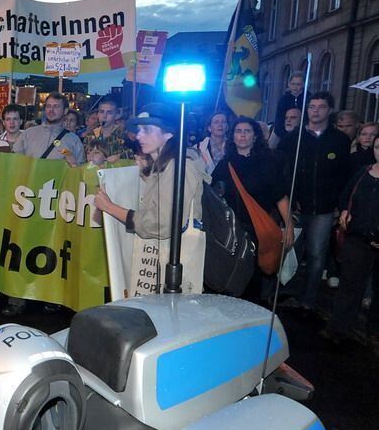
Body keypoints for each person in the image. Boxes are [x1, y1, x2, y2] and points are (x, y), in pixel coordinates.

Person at [94, 103, 209, 294]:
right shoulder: (163, 165)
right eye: (138, 130)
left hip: (175, 272)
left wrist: (110, 207)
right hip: (159, 266)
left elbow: (161, 223)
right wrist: (146, 173)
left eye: (147, 129)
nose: (139, 136)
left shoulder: (181, 167)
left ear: (169, 133)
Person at [277, 91, 352, 310]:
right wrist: (288, 199)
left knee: (317, 255)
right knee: (289, 252)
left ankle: (307, 300)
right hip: (296, 207)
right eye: (312, 107)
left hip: (324, 209)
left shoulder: (339, 140)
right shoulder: (294, 138)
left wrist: (339, 203)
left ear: (329, 110)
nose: (315, 110)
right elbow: (283, 172)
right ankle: (283, 293)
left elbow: (343, 174)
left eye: (320, 106)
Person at [210, 118, 294, 301]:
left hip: (256, 229)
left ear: (255, 136)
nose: (242, 135)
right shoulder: (225, 164)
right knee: (230, 273)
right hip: (230, 231)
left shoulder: (267, 163)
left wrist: (289, 226)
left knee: (253, 276)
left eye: (247, 131)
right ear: (232, 136)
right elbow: (212, 195)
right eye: (238, 131)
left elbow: (281, 197)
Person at [322, 140, 379, 344]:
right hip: (357, 238)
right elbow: (346, 195)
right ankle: (338, 329)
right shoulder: (363, 173)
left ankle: (373, 330)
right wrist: (345, 209)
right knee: (349, 285)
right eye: (378, 147)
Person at [12, 92, 85, 165]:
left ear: (65, 111)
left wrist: (74, 164)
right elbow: (14, 162)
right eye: (48, 106)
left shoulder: (73, 140)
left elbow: (80, 170)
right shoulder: (28, 134)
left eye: (56, 106)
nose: (51, 110)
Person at [83, 96, 134, 165]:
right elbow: (84, 160)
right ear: (98, 114)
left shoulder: (124, 136)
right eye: (101, 112)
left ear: (116, 116)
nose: (104, 116)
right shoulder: (90, 136)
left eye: (109, 113)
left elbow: (133, 155)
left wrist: (119, 157)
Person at [274, 72, 305, 139]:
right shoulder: (283, 100)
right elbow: (279, 121)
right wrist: (286, 137)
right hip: (283, 133)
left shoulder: (308, 98)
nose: (295, 87)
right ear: (289, 84)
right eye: (293, 84)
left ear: (303, 85)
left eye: (298, 84)